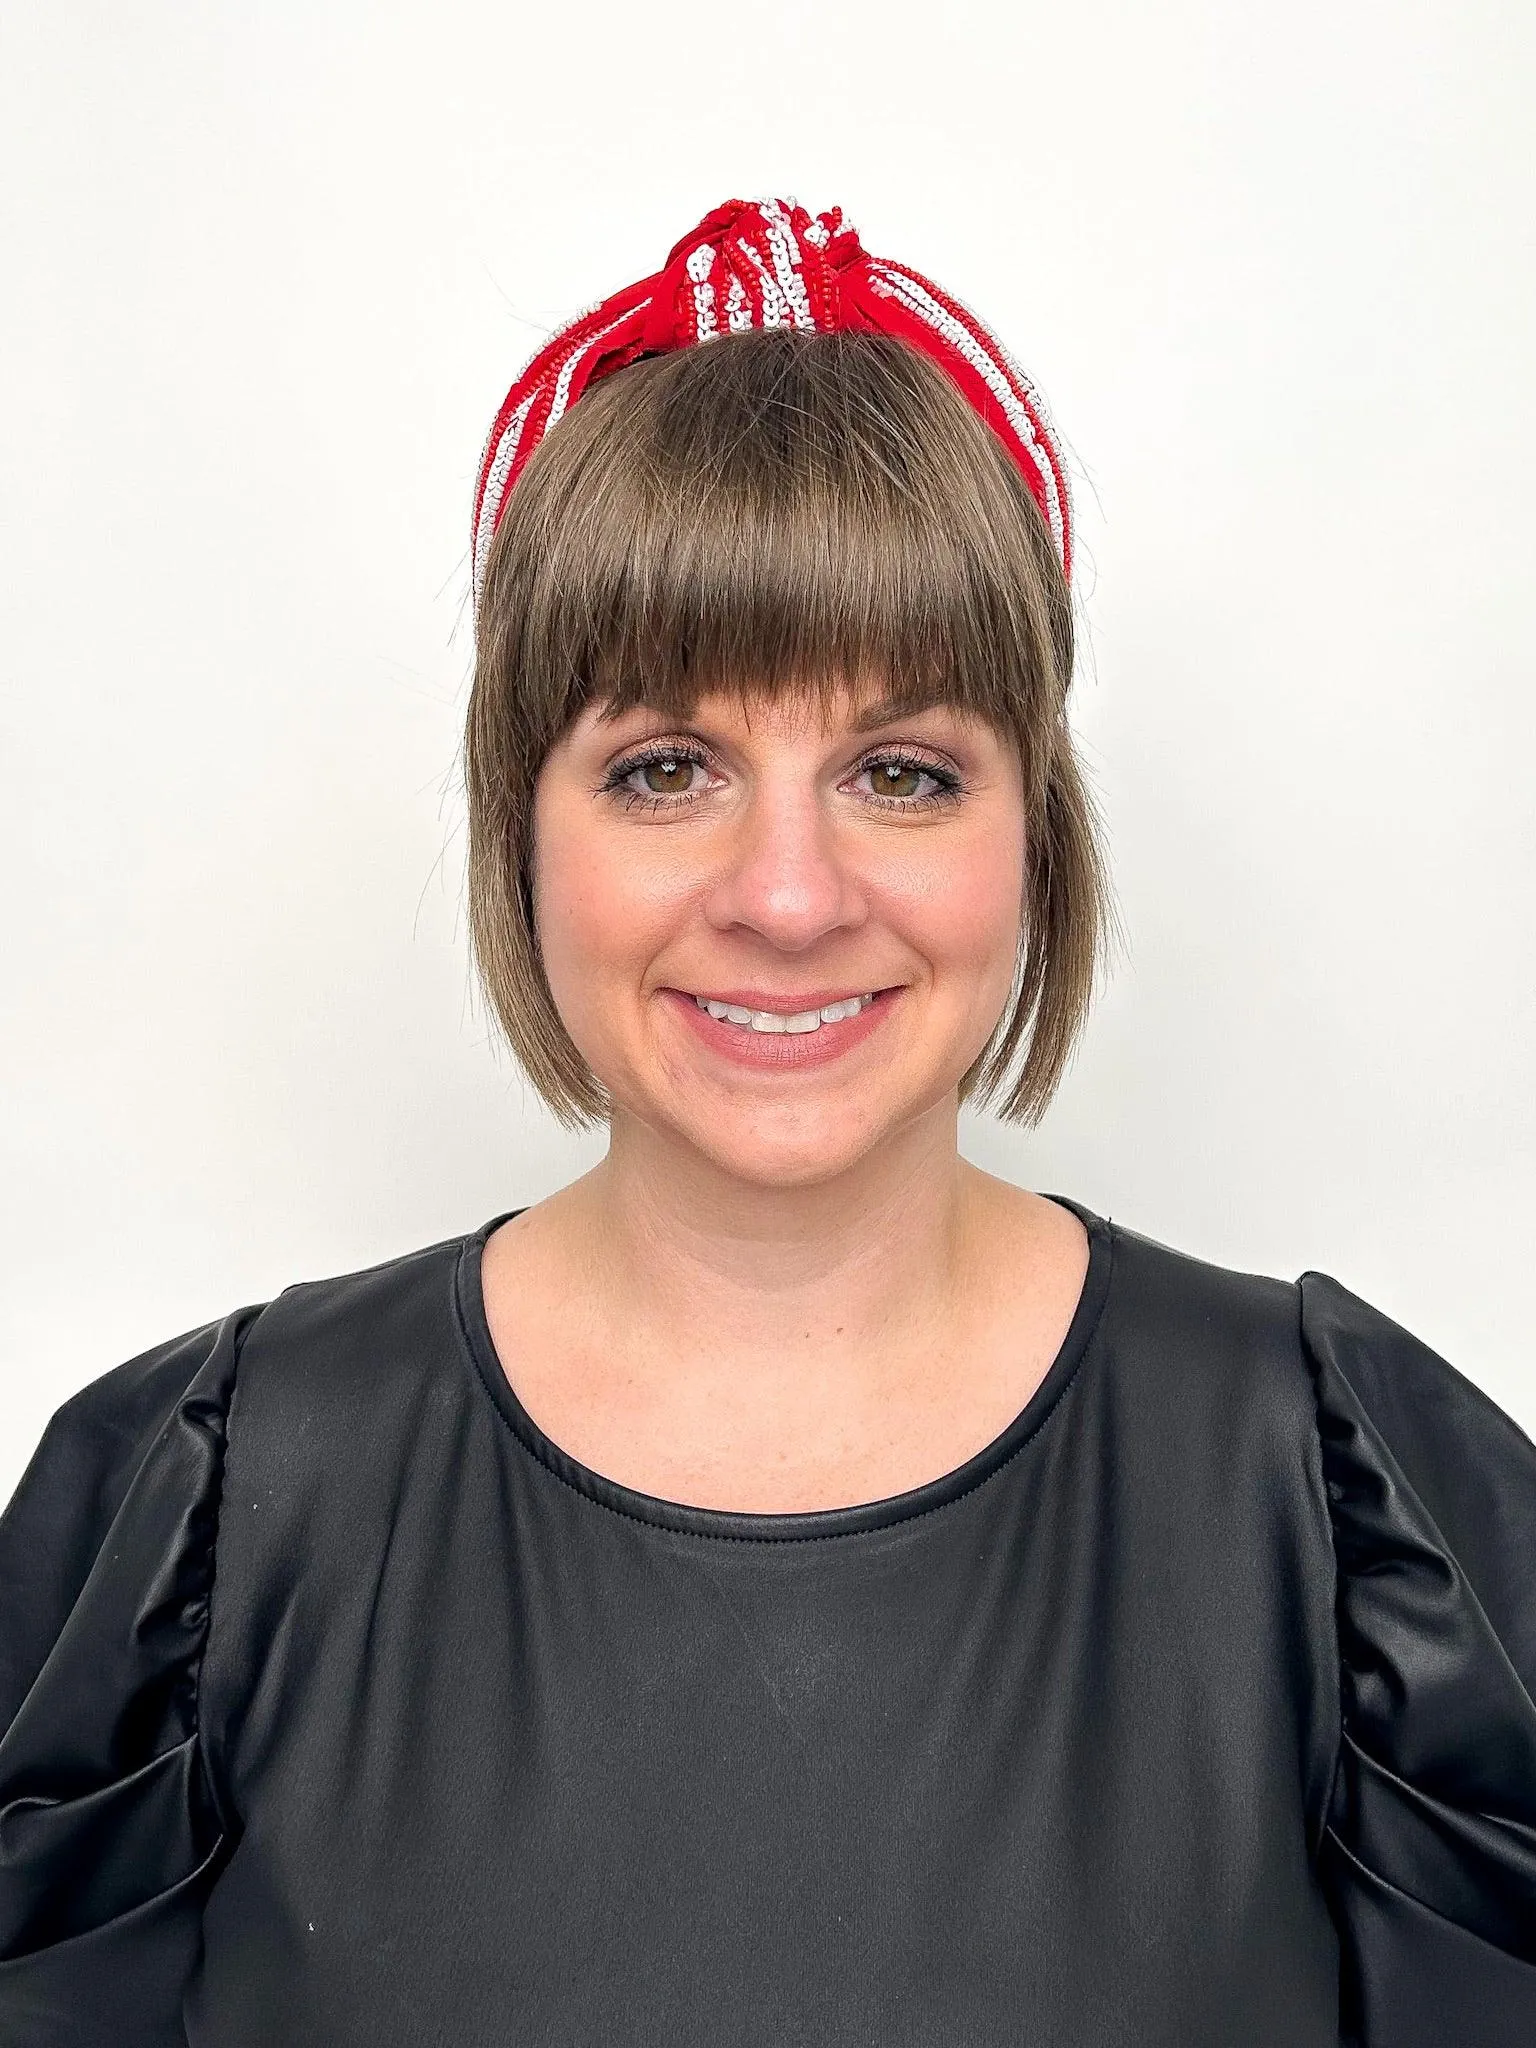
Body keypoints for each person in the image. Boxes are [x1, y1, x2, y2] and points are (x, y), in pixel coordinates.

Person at [1, 197, 1532, 2048]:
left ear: (1031, 833)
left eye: (901, 771)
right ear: (523, 832)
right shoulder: (203, 1519)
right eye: (664, 770)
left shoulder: (1363, 1523)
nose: (789, 897)